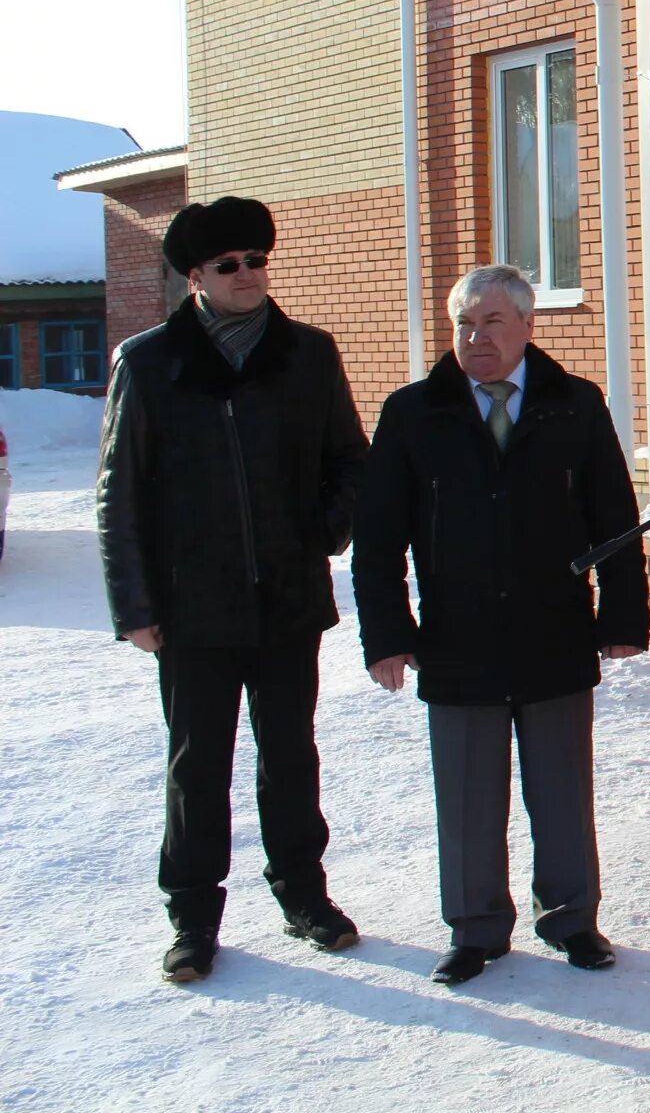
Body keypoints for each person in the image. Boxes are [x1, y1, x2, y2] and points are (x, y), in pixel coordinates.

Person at [96, 197, 371, 985]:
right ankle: (191, 917)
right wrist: (137, 608)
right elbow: (119, 495)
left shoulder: (308, 354)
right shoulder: (148, 363)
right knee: (197, 765)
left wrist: (320, 529)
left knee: (291, 755)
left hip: (287, 600)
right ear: (195, 277)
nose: (249, 274)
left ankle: (304, 896)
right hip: (193, 609)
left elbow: (351, 460)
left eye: (257, 260)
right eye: (229, 265)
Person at [353, 264, 649, 986]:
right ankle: (475, 927)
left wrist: (623, 615)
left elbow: (615, 519)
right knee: (466, 795)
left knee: (561, 791)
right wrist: (388, 635)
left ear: (526, 327)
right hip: (457, 638)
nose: (475, 336)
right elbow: (379, 534)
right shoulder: (413, 411)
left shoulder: (575, 405)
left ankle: (573, 919)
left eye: (491, 322)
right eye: (463, 323)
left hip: (554, 631)